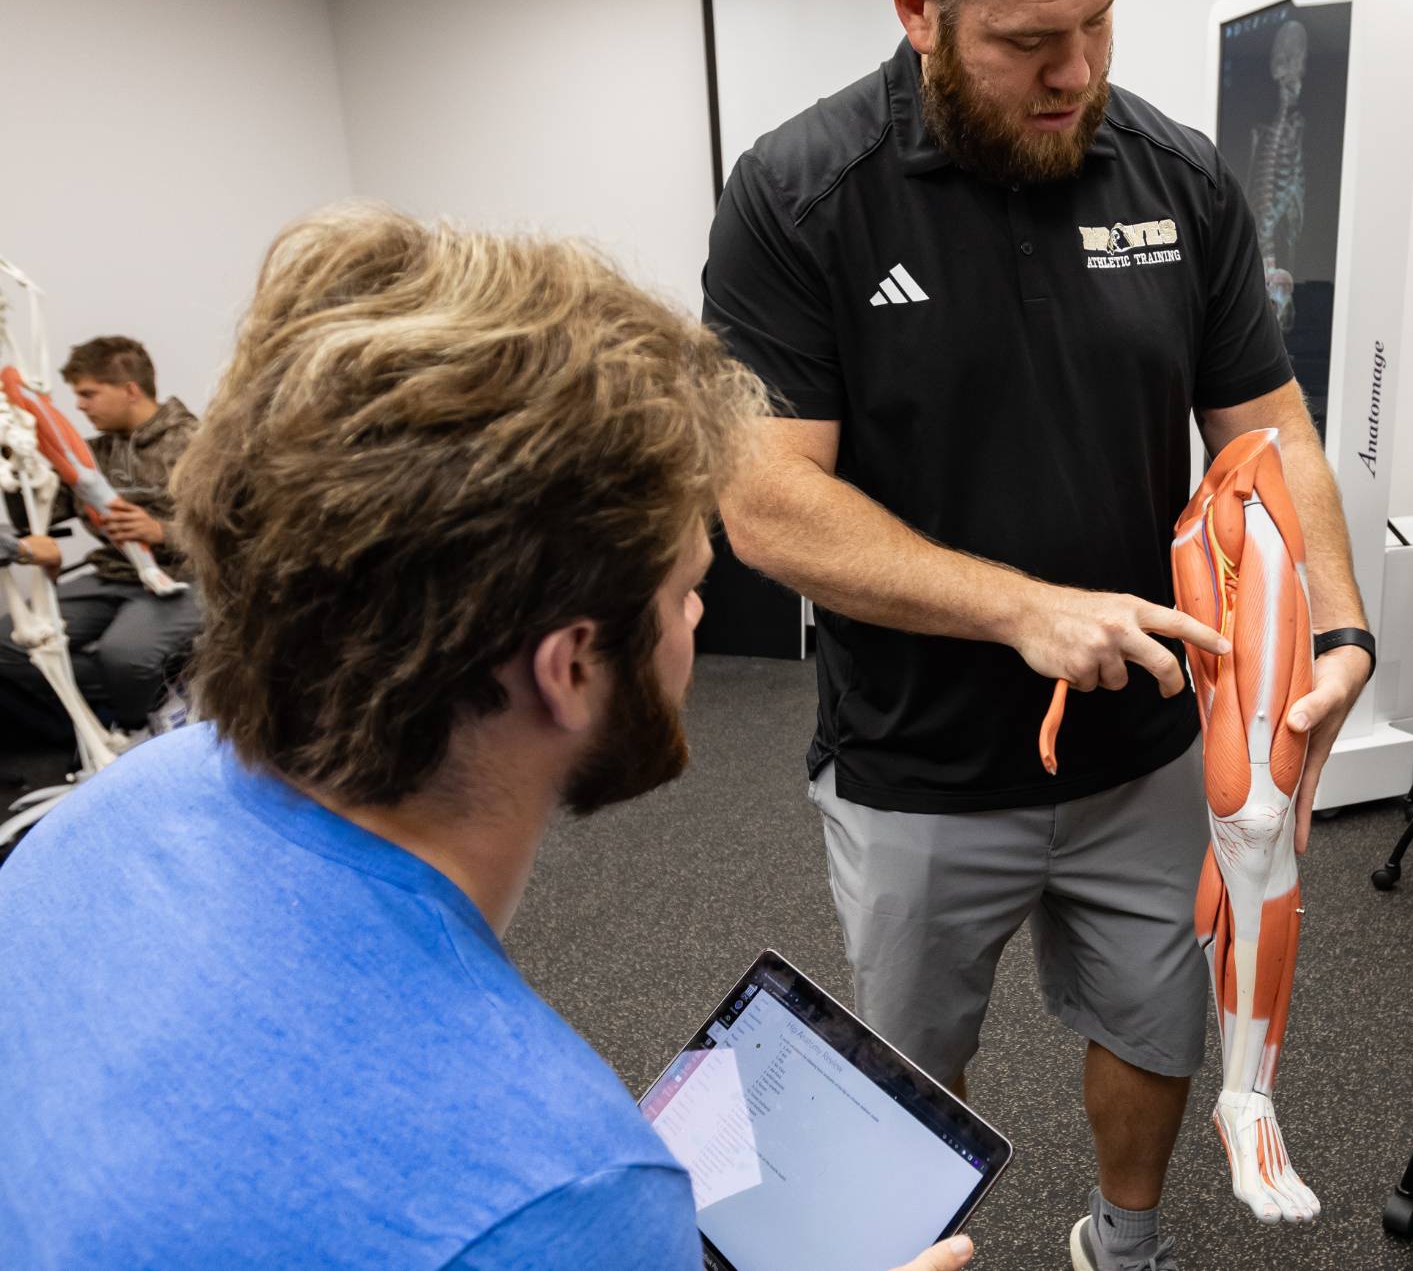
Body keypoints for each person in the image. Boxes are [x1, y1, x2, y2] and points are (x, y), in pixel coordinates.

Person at [0, 209, 974, 1271]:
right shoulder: (561, 1190)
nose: (698, 621)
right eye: (688, 590)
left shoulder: (100, 816)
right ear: (568, 667)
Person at [701, 0, 1375, 1271]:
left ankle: (1121, 1243)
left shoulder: (1180, 175)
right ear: (916, 5)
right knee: (905, 1071)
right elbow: (761, 498)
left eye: (1101, 21)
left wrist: (1337, 621)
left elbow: (1267, 427)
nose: (1075, 71)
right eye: (1026, 39)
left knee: (1156, 1016)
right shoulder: (803, 193)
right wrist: (1021, 607)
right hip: (920, 759)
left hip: (1145, 743)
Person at [0, 336, 200, 745]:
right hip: (111, 577)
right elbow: (38, 516)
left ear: (130, 390)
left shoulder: (199, 445)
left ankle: (137, 732)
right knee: (10, 645)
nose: (80, 406)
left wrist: (162, 531)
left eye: (89, 393)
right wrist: (15, 465)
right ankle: (127, 705)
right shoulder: (89, 455)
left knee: (125, 656)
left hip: (185, 579)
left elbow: (244, 528)